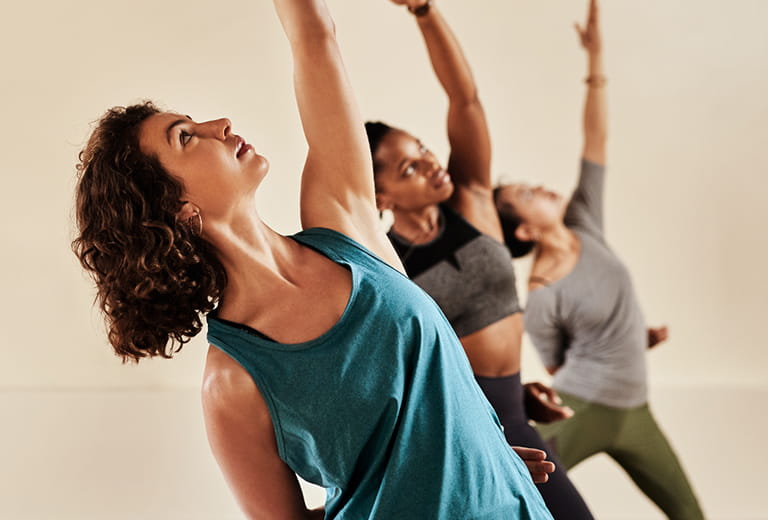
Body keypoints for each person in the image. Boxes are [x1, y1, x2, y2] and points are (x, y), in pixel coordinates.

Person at [71, 0, 555, 518]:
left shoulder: (345, 220)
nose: (219, 123)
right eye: (186, 137)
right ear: (179, 209)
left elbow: (314, 35)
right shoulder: (234, 380)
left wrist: (466, 460)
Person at [365, 1, 593, 518]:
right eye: (408, 168)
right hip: (466, 427)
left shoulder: (471, 200)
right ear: (381, 198)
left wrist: (425, 12)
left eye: (423, 150)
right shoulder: (390, 265)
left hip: (515, 410)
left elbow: (464, 100)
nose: (429, 164)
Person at [494, 1, 705, 518]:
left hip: (638, 411)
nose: (543, 187)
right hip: (584, 408)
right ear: (522, 228)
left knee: (691, 514)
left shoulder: (585, 220)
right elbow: (558, 369)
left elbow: (596, 139)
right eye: (527, 193)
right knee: (522, 493)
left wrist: (596, 61)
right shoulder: (541, 296)